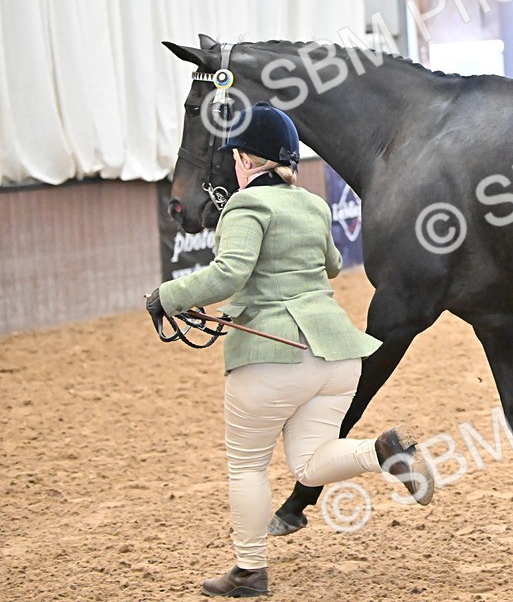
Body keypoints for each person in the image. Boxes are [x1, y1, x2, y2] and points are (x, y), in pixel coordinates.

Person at [146, 102, 434, 597]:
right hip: (338, 357)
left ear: (245, 161)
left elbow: (229, 273)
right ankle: (381, 452)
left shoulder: (246, 205)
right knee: (308, 461)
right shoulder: (314, 204)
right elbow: (331, 263)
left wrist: (166, 297)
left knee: (247, 466)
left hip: (272, 354)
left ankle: (249, 571)